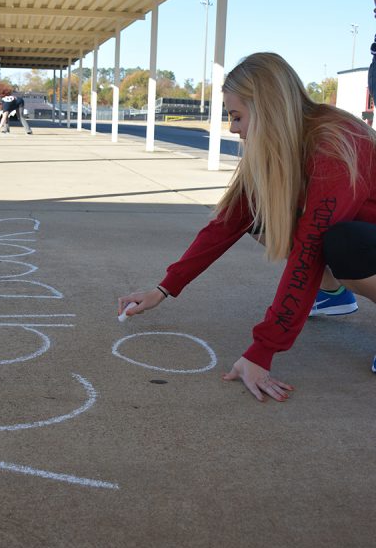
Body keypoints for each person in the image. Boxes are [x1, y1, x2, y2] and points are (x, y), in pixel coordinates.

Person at [118, 52, 376, 402]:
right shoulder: (277, 148)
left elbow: (308, 252)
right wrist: (163, 289)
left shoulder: (335, 143)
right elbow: (227, 223)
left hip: (363, 239)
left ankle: (334, 287)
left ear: (268, 109)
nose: (231, 128)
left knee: (340, 243)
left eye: (236, 116)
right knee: (264, 216)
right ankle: (332, 295)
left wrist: (262, 350)